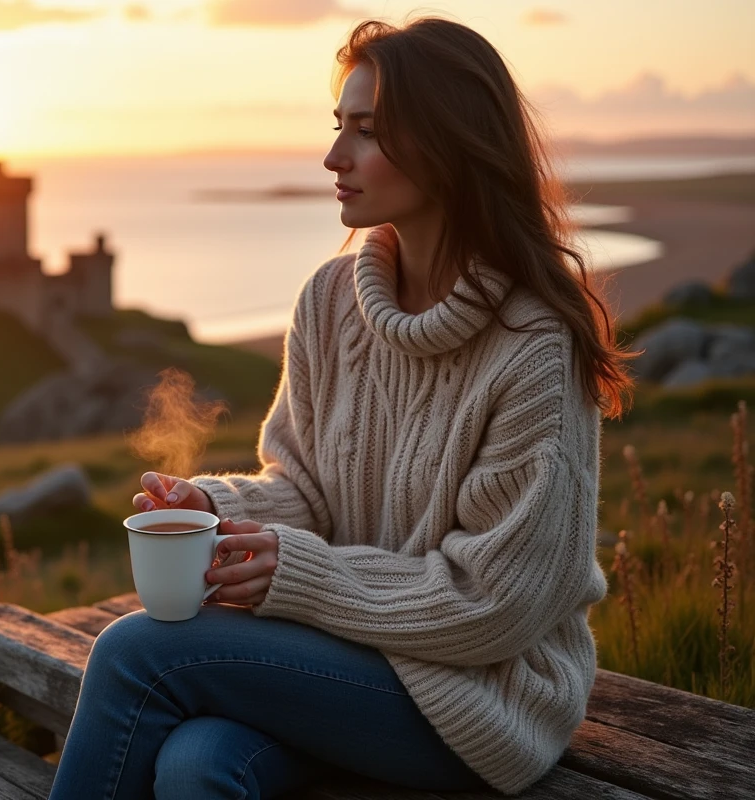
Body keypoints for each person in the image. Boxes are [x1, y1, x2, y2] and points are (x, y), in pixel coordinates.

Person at [47, 14, 634, 799]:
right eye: (338, 127)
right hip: (336, 656)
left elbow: (495, 604)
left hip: (480, 699)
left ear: (449, 145)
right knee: (197, 765)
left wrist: (302, 574)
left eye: (367, 132)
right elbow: (307, 493)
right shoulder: (330, 300)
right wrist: (215, 509)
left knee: (135, 653)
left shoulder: (531, 344)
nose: (334, 156)